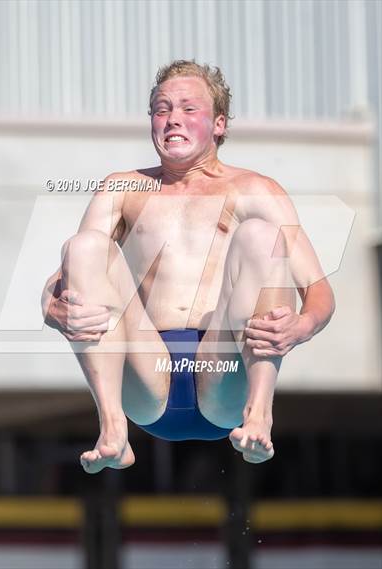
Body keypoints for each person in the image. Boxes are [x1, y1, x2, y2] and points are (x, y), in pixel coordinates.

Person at [41, 60, 335, 473]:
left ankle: (259, 415)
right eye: (162, 109)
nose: (172, 118)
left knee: (260, 237)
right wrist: (52, 309)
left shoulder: (254, 189)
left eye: (187, 109)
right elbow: (65, 276)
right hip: (147, 377)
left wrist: (301, 327)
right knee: (86, 245)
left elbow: (319, 293)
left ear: (218, 124)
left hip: (223, 373)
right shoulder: (122, 187)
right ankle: (112, 427)